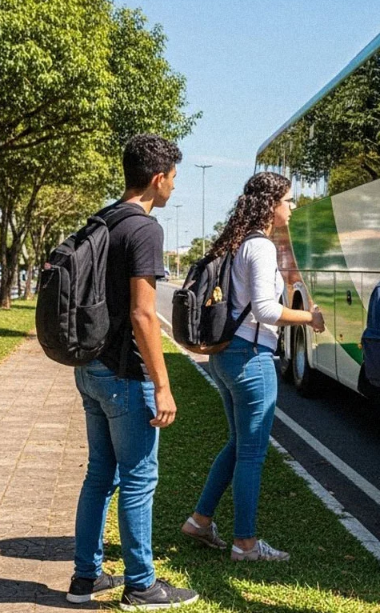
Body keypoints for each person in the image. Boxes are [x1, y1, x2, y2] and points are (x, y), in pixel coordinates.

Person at [68, 134, 200, 610]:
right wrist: (162, 386)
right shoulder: (144, 228)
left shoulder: (101, 219)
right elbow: (145, 316)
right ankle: (142, 585)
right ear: (157, 177)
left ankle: (85, 579)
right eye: (173, 179)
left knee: (100, 474)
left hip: (89, 367)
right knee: (139, 478)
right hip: (124, 374)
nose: (172, 189)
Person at [182, 172, 324, 562]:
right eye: (288, 200)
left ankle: (200, 521)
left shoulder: (234, 242)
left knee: (237, 443)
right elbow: (265, 309)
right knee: (251, 453)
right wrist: (308, 318)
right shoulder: (259, 247)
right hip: (251, 358)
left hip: (225, 355)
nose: (292, 207)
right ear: (271, 204)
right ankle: (245, 544)